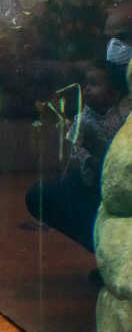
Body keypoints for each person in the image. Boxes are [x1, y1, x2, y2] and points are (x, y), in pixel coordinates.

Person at [26, 60, 130, 252]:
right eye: (86, 83)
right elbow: (74, 146)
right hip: (89, 179)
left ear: (114, 93)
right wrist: (87, 159)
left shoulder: (123, 117)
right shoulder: (83, 118)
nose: (86, 89)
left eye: (94, 84)